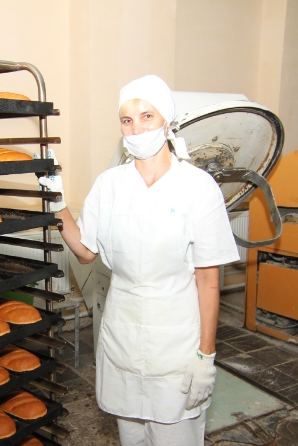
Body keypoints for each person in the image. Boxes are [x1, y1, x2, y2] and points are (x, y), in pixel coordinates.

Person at [39, 74, 239, 446]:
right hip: (122, 333)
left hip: (176, 339)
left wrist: (206, 355)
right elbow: (85, 252)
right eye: (127, 120)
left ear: (167, 121)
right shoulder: (110, 185)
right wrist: (58, 203)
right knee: (131, 435)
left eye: (147, 116)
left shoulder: (197, 187)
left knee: (174, 435)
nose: (136, 128)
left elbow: (208, 280)